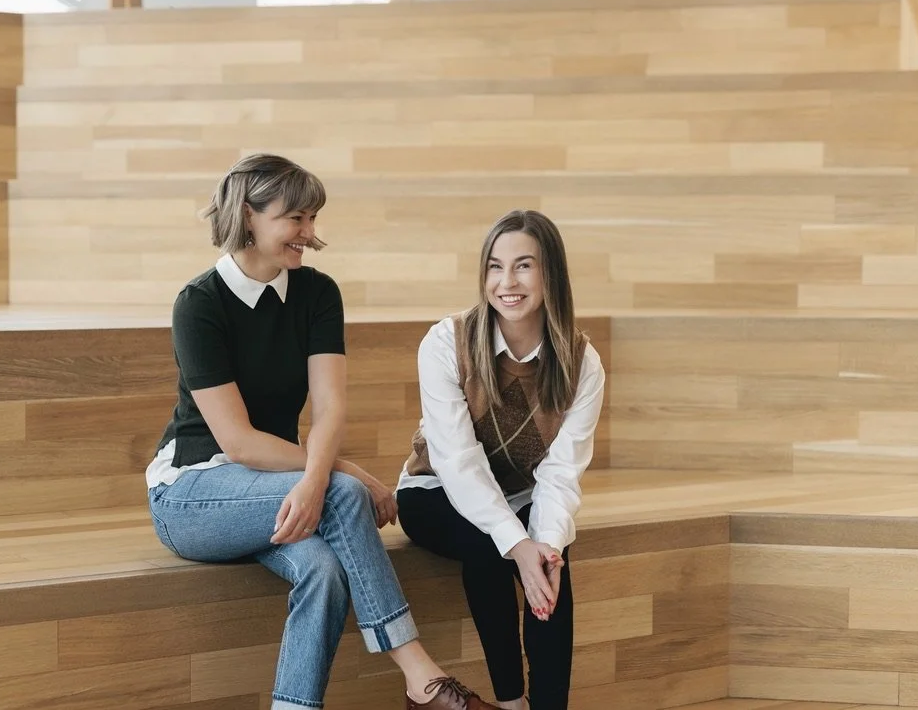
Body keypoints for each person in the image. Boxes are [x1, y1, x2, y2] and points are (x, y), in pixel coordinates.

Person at [145, 153, 502, 710]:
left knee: (325, 571)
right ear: (248, 214)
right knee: (341, 493)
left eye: (313, 218)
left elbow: (331, 407)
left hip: (275, 490)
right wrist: (336, 474)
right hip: (193, 493)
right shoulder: (199, 305)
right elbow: (236, 442)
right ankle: (423, 680)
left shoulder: (316, 294)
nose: (310, 234)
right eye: (297, 218)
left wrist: (318, 478)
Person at [395, 210, 606, 710]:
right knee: (493, 544)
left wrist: (546, 545)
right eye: (495, 267)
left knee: (554, 559)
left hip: (523, 494)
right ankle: (510, 702)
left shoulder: (582, 362)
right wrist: (517, 543)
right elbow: (458, 461)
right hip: (434, 494)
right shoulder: (447, 341)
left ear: (550, 273)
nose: (506, 282)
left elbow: (561, 471)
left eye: (523, 266)